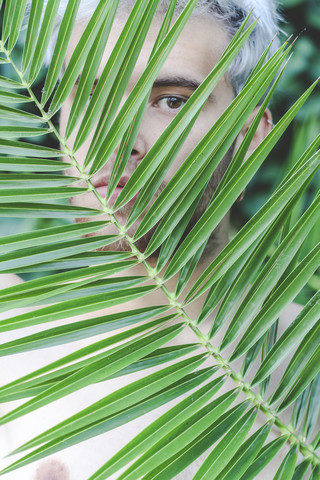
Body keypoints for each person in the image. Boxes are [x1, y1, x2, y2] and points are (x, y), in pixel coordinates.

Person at [0, 1, 304, 479]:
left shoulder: (304, 366)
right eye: (94, 102)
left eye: (172, 101)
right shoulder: (11, 341)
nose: (118, 143)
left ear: (249, 142)